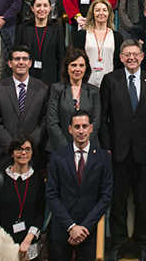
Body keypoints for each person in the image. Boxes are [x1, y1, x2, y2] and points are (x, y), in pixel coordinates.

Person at [100, 39, 146, 261]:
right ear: (121, 57)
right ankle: (118, 244)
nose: (132, 58)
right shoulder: (110, 80)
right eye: (127, 54)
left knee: (143, 202)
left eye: (135, 54)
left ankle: (142, 245)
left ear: (142, 56)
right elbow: (103, 118)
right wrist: (106, 147)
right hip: (118, 151)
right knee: (118, 202)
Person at [46, 110, 113, 261]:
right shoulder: (57, 156)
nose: (81, 131)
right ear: (70, 129)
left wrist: (84, 228)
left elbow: (106, 196)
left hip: (89, 230)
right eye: (77, 127)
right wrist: (71, 227)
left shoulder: (103, 158)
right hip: (62, 228)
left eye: (84, 126)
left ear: (91, 128)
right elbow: (51, 195)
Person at [0, 136, 45, 259]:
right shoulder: (0, 178)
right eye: (19, 149)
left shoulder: (38, 180)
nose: (23, 153)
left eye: (27, 149)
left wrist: (28, 240)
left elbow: (39, 214)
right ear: (12, 153)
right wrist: (4, 242)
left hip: (28, 245)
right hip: (1, 244)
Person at [0, 46, 50, 172]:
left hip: (33, 155)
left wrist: (28, 145)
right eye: (17, 59)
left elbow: (45, 121)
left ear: (30, 63)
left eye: (24, 59)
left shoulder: (43, 89)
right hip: (3, 154)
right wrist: (13, 147)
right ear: (10, 63)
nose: (21, 62)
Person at [45, 48, 102, 151]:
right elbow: (52, 122)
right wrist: (68, 148)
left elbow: (96, 122)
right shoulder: (56, 89)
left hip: (88, 149)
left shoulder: (94, 91)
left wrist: (83, 145)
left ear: (86, 68)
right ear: (67, 68)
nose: (77, 69)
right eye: (73, 65)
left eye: (81, 65)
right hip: (61, 148)